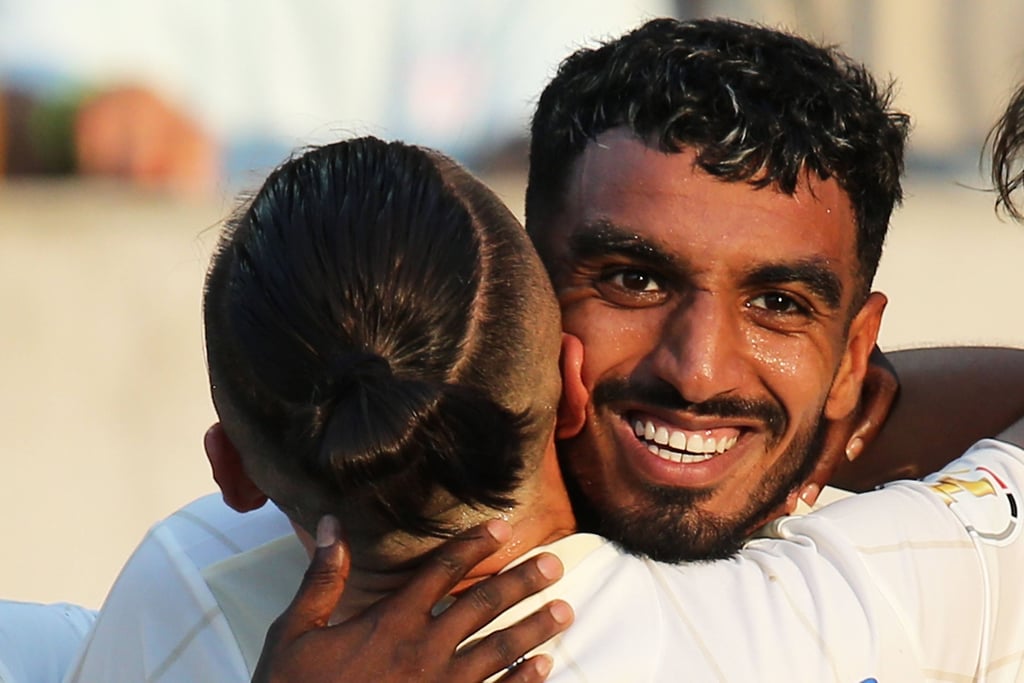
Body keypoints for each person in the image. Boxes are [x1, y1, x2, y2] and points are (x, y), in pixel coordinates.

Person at [61, 17, 1024, 681]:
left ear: (855, 352)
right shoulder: (859, 601)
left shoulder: (189, 575)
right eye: (634, 281)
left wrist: (838, 411)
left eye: (778, 304)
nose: (697, 369)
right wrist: (821, 404)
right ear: (531, 291)